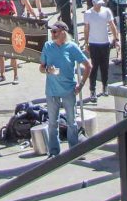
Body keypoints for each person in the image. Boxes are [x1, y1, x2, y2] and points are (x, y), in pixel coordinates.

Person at [38, 20, 89, 158]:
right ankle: (54, 152)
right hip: (52, 91)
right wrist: (48, 69)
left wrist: (81, 84)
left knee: (72, 122)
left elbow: (88, 66)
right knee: (52, 123)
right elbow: (41, 68)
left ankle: (74, 151)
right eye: (51, 32)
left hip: (68, 90)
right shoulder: (47, 46)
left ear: (63, 33)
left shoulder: (72, 47)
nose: (52, 34)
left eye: (54, 31)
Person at [79, 0, 118, 99]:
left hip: (105, 43)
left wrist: (116, 38)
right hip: (93, 44)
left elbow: (112, 25)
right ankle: (92, 90)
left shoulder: (106, 11)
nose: (99, 5)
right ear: (93, 3)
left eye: (100, 3)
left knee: (105, 67)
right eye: (98, 4)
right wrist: (86, 43)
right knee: (94, 67)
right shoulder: (88, 13)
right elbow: (86, 29)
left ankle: (105, 86)